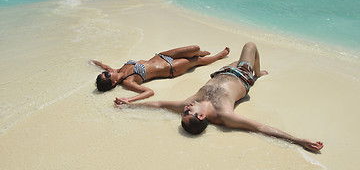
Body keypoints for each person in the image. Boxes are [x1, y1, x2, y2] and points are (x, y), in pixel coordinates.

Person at [114, 42, 324, 152]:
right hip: (241, 75)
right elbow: (260, 127)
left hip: (222, 72)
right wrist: (298, 140)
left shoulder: (190, 104)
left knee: (232, 58)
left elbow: (159, 104)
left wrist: (128, 105)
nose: (186, 108)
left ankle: (252, 69)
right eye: (188, 113)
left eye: (185, 112)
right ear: (202, 117)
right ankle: (257, 73)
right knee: (250, 46)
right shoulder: (224, 115)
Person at [92, 45, 230, 102]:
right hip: (170, 68)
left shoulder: (117, 70)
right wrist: (129, 100)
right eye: (108, 75)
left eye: (106, 72)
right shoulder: (128, 82)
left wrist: (95, 63)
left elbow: (104, 66)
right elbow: (149, 92)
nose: (108, 72)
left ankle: (197, 52)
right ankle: (219, 56)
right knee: (197, 61)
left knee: (195, 48)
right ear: (114, 83)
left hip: (162, 56)